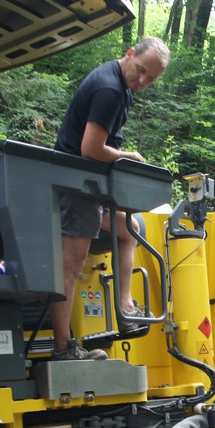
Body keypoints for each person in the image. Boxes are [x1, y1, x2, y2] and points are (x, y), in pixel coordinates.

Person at [50, 36, 170, 361]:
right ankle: (63, 348)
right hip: (76, 185)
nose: (143, 80)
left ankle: (125, 305)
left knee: (129, 228)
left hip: (90, 186)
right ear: (130, 54)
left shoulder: (123, 86)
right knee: (71, 263)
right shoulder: (110, 89)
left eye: (152, 78)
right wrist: (126, 156)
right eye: (141, 70)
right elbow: (90, 149)